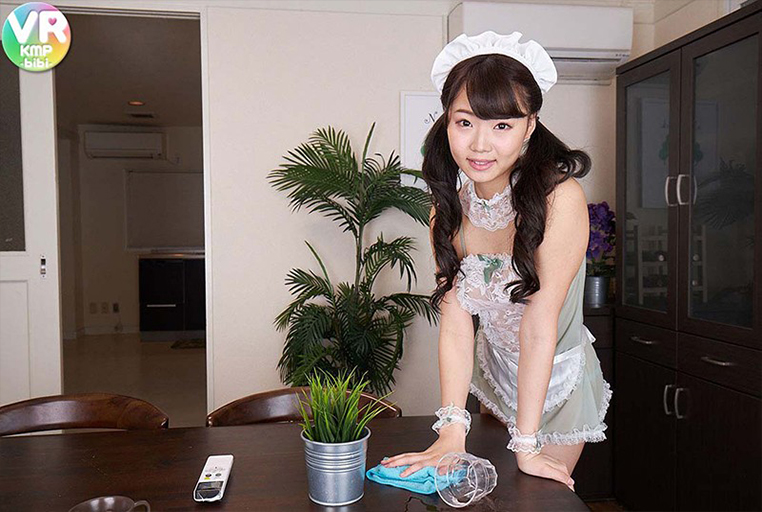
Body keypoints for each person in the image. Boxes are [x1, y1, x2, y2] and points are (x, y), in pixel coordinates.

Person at [381, 31, 612, 493]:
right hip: (495, 370)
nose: (480, 145)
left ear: (530, 126)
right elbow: (455, 318)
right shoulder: (448, 206)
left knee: (534, 496)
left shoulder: (560, 199)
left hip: (555, 381)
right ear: (446, 122)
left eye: (502, 126)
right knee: (485, 493)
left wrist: (527, 444)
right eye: (465, 122)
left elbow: (539, 324)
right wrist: (451, 429)